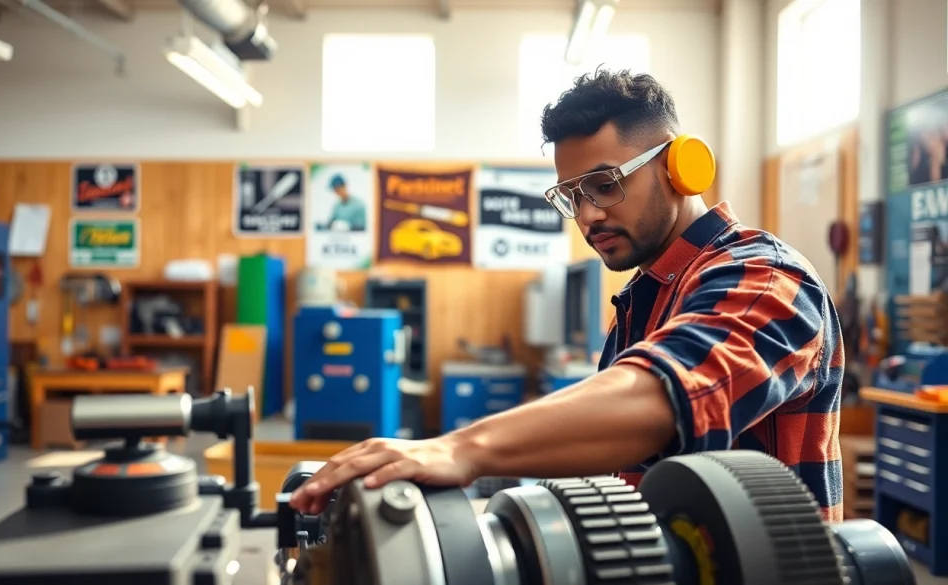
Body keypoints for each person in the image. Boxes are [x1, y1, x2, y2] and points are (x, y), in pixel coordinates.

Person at [290, 69, 844, 522]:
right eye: (571, 196)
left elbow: (667, 396)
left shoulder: (767, 278)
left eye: (604, 185)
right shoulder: (645, 297)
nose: (587, 216)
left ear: (681, 168)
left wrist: (459, 449)